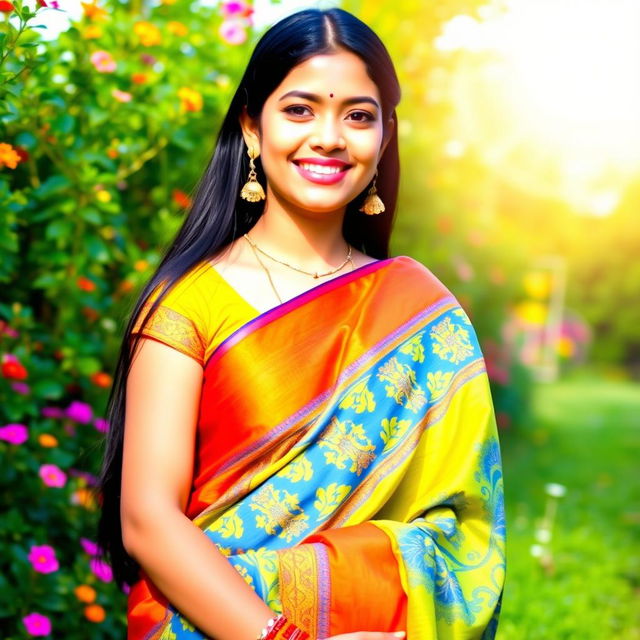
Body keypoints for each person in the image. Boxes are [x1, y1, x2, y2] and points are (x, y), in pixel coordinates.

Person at [95, 7, 506, 640]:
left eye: (358, 116)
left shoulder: (420, 310)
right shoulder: (190, 307)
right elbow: (148, 518)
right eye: (299, 109)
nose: (330, 137)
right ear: (252, 129)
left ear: (385, 139)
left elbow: (464, 529)